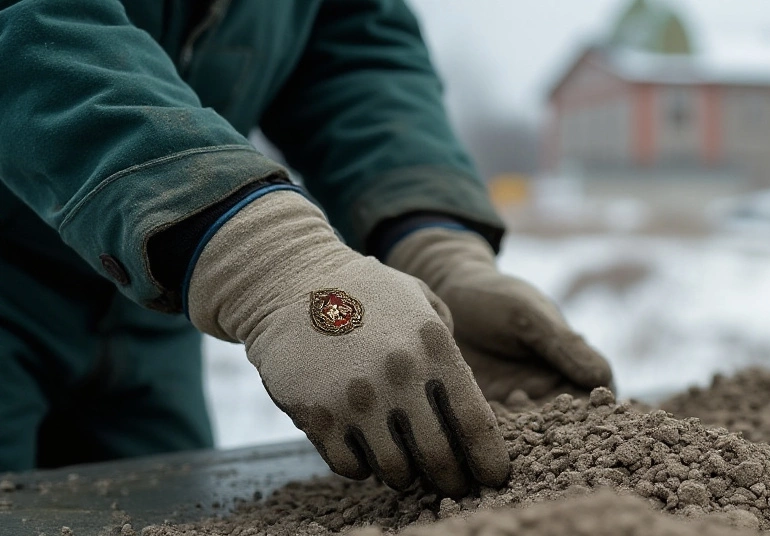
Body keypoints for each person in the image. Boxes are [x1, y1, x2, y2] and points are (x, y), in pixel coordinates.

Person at [0, 0, 612, 496]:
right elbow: (30, 25)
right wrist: (267, 259)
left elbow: (353, 54)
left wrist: (435, 250)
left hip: (150, 304)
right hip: (24, 280)